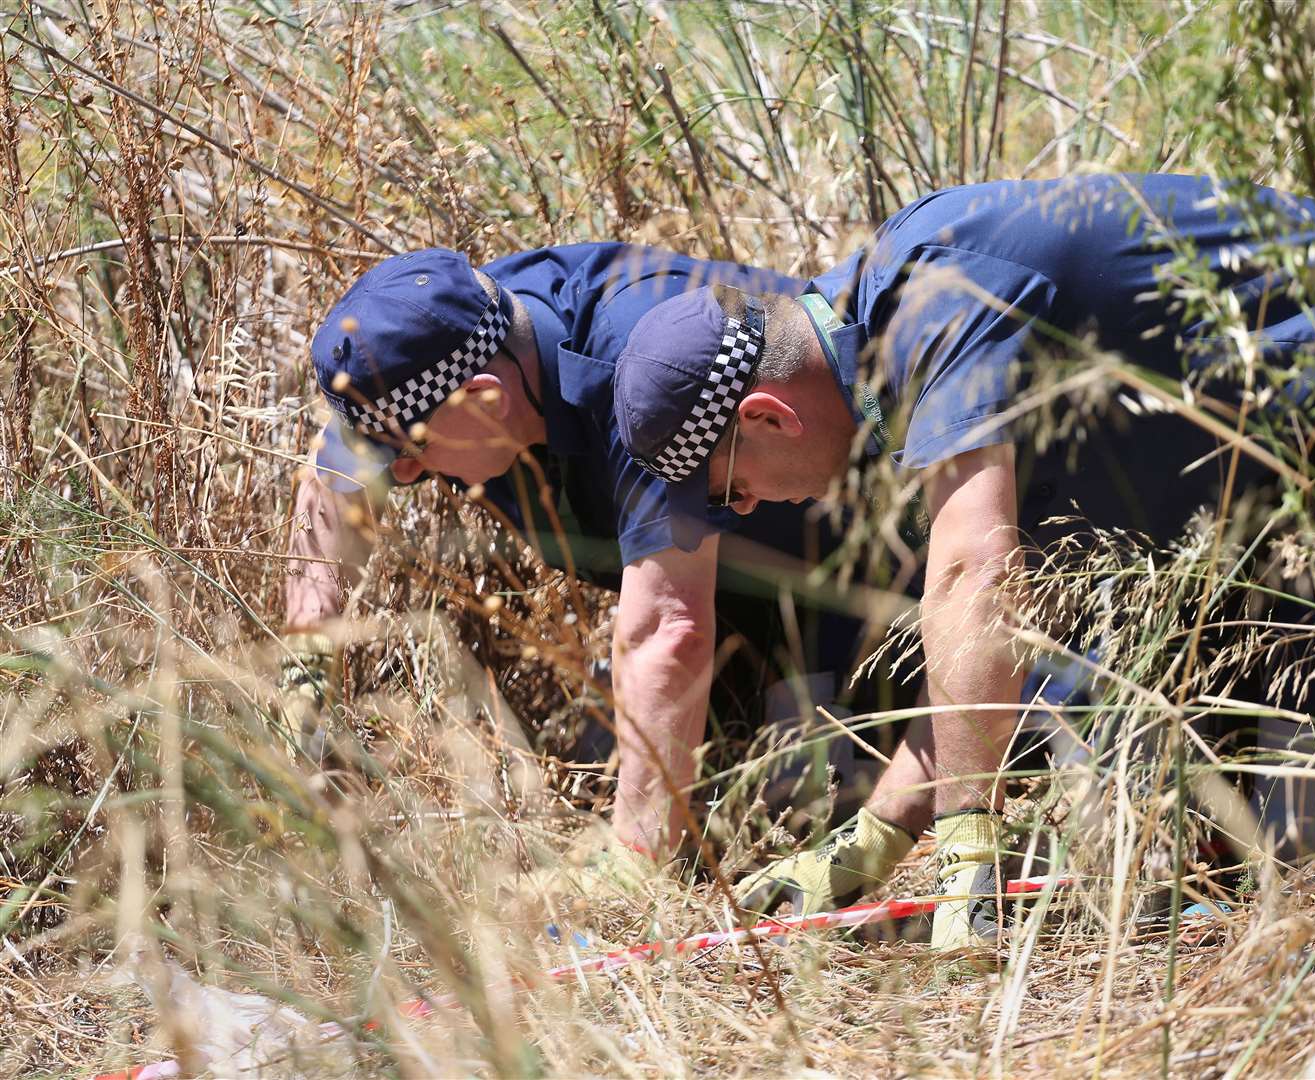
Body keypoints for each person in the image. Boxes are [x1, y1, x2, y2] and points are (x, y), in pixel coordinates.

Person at [611, 174, 1315, 949]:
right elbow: (1001, 631)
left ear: (769, 417)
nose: (749, 509)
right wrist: (880, 836)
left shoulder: (938, 301)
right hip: (1253, 460)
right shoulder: (884, 341)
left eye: (731, 487)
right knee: (1220, 827)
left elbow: (970, 582)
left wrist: (969, 843)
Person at [281, 242, 876, 879]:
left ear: (485, 400)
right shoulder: (452, 339)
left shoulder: (651, 377)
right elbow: (332, 477)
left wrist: (634, 868)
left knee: (800, 808)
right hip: (730, 592)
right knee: (597, 751)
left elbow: (668, 632)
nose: (404, 474)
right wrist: (306, 661)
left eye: (412, 453)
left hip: (854, 580)